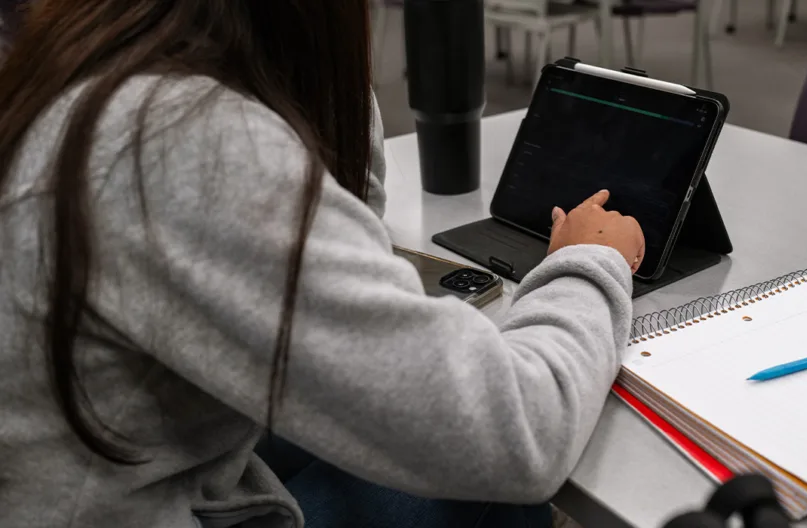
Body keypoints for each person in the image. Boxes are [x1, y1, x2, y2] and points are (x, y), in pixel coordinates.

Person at [0, 1, 645, 528]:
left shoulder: (87, 66)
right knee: (497, 491)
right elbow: (520, 432)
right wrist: (590, 260)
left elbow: (349, 220)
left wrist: (318, 64)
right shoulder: (180, 141)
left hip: (126, 475)